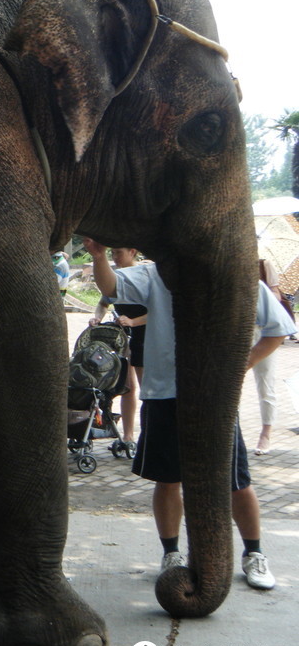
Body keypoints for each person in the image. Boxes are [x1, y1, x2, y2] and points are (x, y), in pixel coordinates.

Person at [85, 238, 293, 590]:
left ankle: (254, 553)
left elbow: (278, 329)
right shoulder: (155, 276)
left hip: (212, 398)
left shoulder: (233, 278)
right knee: (168, 479)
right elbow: (112, 286)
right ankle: (171, 553)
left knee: (235, 480)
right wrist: (98, 256)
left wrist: (242, 365)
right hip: (163, 393)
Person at [89, 247, 146, 450]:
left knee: (146, 388)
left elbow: (159, 310)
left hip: (143, 336)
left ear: (132, 252)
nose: (114, 257)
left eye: (118, 253)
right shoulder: (114, 277)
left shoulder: (145, 275)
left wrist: (133, 321)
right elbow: (103, 302)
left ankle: (148, 434)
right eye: (111, 253)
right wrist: (98, 316)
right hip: (121, 337)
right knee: (127, 386)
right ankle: (128, 435)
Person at [253, 259, 285, 453]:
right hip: (238, 329)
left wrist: (260, 293)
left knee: (265, 383)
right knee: (232, 384)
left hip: (263, 330)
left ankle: (266, 432)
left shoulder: (264, 264)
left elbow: (277, 295)